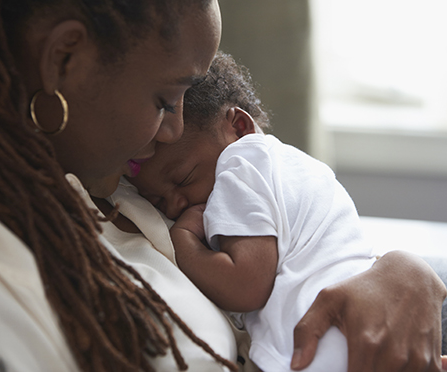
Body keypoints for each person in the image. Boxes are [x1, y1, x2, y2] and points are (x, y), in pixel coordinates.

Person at [0, 0, 447, 372]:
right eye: (165, 100)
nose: (171, 132)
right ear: (65, 60)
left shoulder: (121, 181)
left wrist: (401, 273)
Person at [128, 51, 379, 371]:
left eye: (183, 178)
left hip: (326, 347)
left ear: (239, 127)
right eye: (157, 200)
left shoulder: (243, 163)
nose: (175, 204)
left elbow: (245, 286)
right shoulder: (290, 165)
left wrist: (183, 240)